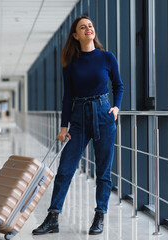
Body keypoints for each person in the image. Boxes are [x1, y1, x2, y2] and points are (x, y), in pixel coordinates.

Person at [32, 15, 124, 235]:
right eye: (83, 27)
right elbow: (67, 97)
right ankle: (53, 217)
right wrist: (64, 127)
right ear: (75, 35)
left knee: (103, 172)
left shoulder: (107, 57)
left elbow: (118, 85)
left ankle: (99, 216)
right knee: (64, 170)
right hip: (79, 119)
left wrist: (116, 108)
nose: (88, 29)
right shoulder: (70, 64)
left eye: (90, 26)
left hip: (103, 115)